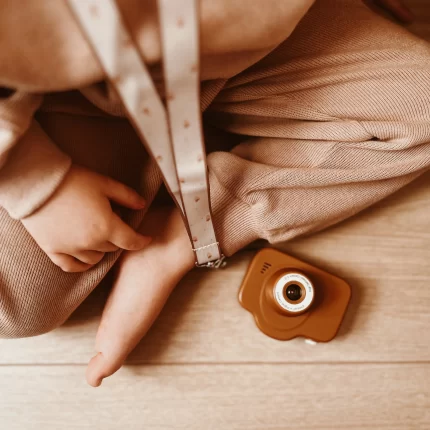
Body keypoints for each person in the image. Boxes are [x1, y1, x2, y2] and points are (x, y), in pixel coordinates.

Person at [0, 0, 428, 387]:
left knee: (421, 105)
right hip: (58, 96)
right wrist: (37, 182)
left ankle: (180, 230)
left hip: (239, 49)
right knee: (16, 307)